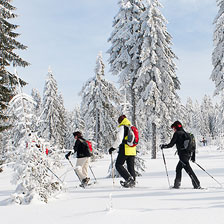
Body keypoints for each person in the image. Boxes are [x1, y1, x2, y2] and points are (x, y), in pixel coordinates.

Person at [161, 121, 201, 189]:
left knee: (188, 170)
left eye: (173, 127)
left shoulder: (177, 133)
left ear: (176, 127)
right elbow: (193, 146)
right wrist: (193, 156)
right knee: (178, 168)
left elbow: (171, 144)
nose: (173, 129)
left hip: (183, 155)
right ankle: (177, 184)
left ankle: (197, 184)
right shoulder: (187, 134)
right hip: (188, 154)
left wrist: (163, 146)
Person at [109, 115, 136, 188]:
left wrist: (113, 148)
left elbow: (119, 140)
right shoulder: (131, 126)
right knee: (131, 167)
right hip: (133, 149)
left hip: (125, 148)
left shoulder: (122, 127)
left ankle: (129, 179)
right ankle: (133, 181)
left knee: (118, 164)